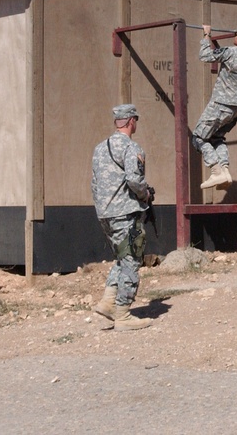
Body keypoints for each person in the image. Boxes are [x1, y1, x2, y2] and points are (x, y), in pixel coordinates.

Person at [90, 103, 154, 330]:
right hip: (125, 212)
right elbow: (134, 180)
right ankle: (123, 314)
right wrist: (145, 194)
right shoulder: (131, 147)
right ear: (131, 122)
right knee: (132, 259)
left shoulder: (99, 149)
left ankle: (108, 303)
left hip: (105, 213)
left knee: (121, 256)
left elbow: (95, 184)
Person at [192, 23, 237, 190]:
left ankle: (216, 170)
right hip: (236, 109)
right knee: (216, 138)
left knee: (198, 138)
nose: (234, 36)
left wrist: (206, 35)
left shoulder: (230, 52)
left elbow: (205, 56)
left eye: (236, 34)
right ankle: (225, 171)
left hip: (220, 104)